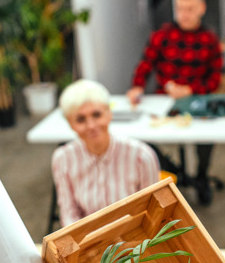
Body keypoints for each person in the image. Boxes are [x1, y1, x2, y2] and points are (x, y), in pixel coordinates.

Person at [127, 0, 223, 205]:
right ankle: (176, 172)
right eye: (180, 8)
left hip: (197, 102)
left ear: (201, 8)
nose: (184, 14)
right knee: (142, 138)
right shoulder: (162, 36)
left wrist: (190, 90)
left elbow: (215, 79)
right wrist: (137, 86)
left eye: (189, 9)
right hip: (165, 104)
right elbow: (145, 65)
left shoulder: (209, 40)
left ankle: (201, 176)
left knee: (207, 137)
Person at [52, 79, 160, 227]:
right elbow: (69, 214)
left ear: (109, 113)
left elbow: (153, 211)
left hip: (135, 239)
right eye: (80, 119)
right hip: (89, 242)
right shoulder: (63, 159)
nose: (91, 125)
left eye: (96, 115)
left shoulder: (141, 156)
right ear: (70, 124)